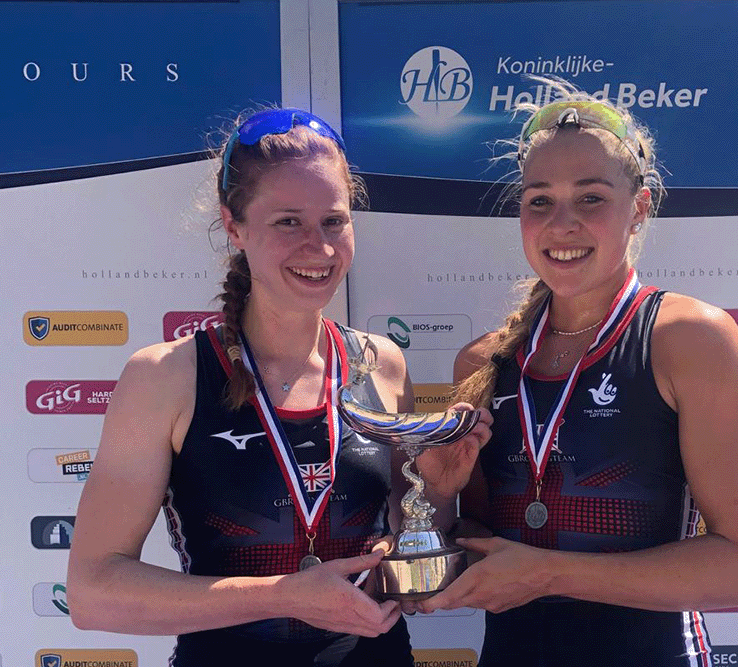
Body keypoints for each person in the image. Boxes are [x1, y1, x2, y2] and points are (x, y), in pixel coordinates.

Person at [67, 108, 488, 666]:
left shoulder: (379, 363)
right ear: (235, 226)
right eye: (288, 222)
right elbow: (93, 595)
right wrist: (283, 596)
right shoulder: (165, 377)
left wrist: (435, 492)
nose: (319, 247)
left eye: (334, 221)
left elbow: (403, 560)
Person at [416, 82, 738, 666]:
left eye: (590, 198)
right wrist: (434, 494)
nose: (562, 224)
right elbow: (473, 544)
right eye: (540, 200)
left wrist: (548, 575)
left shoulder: (690, 340)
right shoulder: (483, 362)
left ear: (638, 208)